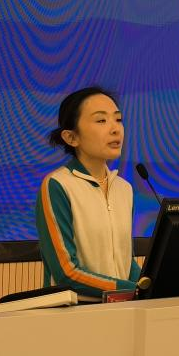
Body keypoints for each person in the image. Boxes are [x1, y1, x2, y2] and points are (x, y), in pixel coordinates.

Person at [35, 87, 141, 297]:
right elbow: (66, 273)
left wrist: (149, 285)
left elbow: (126, 262)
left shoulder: (124, 189)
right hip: (73, 310)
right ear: (71, 137)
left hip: (120, 307)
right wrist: (132, 289)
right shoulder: (58, 185)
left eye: (118, 119)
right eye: (101, 120)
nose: (116, 129)